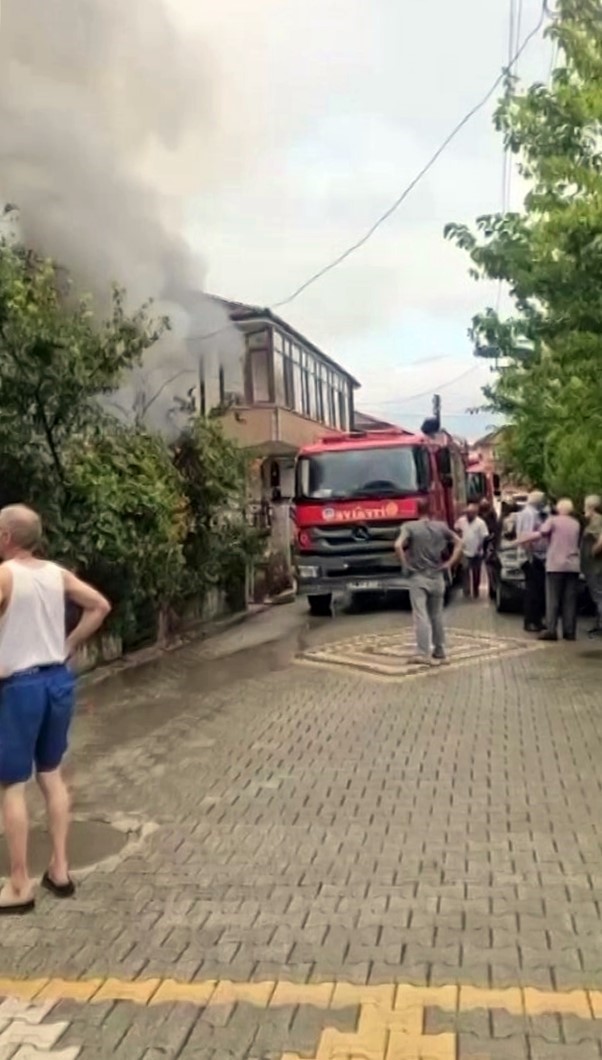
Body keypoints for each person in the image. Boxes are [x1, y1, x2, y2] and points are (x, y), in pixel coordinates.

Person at [0, 504, 111, 915]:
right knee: (51, 774)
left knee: (12, 784)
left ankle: (18, 885)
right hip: (57, 682)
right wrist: (67, 645)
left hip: (19, 688)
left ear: (7, 537)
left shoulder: (5, 575)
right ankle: (60, 870)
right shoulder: (55, 573)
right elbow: (99, 605)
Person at [395, 498, 463, 666]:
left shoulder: (409, 527)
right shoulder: (441, 527)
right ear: (431, 509)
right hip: (438, 576)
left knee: (420, 614)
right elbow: (459, 543)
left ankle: (422, 652)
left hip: (418, 577)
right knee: (437, 615)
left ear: (416, 510)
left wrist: (405, 565)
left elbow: (397, 545)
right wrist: (450, 563)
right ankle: (439, 650)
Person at [518, 498, 581, 642]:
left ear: (559, 509)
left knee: (553, 598)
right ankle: (569, 631)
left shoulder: (553, 520)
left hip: (555, 565)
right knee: (569, 599)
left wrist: (521, 539)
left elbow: (540, 533)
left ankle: (551, 630)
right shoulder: (575, 523)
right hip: (573, 565)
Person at [515, 491, 547, 632]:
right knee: (534, 590)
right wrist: (531, 555)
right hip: (531, 557)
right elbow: (526, 536)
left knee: (536, 589)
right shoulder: (530, 514)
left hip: (530, 556)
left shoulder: (526, 512)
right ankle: (531, 621)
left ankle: (535, 620)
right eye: (543, 500)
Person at [455, 504, 489, 600]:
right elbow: (456, 528)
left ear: (475, 513)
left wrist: (480, 547)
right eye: (467, 513)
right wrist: (459, 535)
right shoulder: (462, 520)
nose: (468, 515)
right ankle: (466, 590)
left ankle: (476, 590)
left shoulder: (480, 523)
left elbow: (484, 536)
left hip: (477, 552)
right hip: (465, 550)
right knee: (464, 570)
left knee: (476, 572)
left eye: (470, 513)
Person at [582, 495, 602, 637]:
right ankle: (598, 623)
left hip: (596, 566)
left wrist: (594, 550)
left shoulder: (597, 520)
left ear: (591, 507)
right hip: (592, 565)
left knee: (598, 596)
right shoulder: (592, 521)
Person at [478, 498, 500, 600]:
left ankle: (493, 589)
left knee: (490, 568)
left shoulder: (482, 518)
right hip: (492, 546)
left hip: (489, 547)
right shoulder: (493, 517)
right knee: (491, 568)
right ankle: (493, 588)